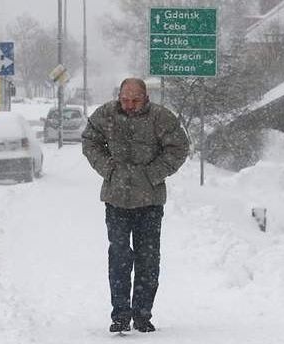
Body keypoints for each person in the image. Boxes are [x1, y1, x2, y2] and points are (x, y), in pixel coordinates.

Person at [81, 78, 189, 333]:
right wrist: (108, 169)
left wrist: (153, 174)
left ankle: (142, 315)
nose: (130, 105)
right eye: (125, 100)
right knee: (119, 257)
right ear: (119, 96)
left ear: (146, 97)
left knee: (148, 259)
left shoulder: (161, 118)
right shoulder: (106, 114)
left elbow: (179, 148)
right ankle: (120, 315)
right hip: (116, 200)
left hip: (150, 201)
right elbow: (90, 141)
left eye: (135, 100)